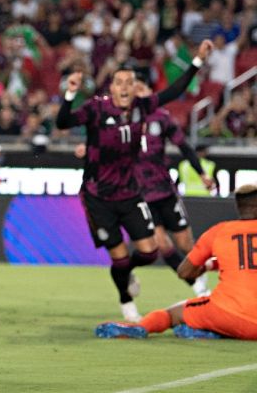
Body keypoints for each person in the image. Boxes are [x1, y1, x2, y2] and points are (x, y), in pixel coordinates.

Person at [55, 39, 213, 323]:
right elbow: (63, 123)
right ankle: (126, 301)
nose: (126, 87)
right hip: (98, 196)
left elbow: (175, 91)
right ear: (111, 88)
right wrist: (69, 94)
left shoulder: (143, 107)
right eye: (120, 82)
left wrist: (198, 60)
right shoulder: (96, 109)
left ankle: (127, 272)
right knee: (119, 257)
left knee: (150, 252)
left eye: (130, 81)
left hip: (130, 194)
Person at [96, 184, 257, 340]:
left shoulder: (219, 231)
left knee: (172, 314)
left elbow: (184, 272)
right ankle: (211, 332)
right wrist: (212, 264)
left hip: (227, 313)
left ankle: (140, 328)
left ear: (238, 206)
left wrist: (205, 266)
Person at [133, 82, 214, 298]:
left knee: (185, 244)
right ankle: (196, 284)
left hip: (164, 191)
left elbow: (184, 146)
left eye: (142, 89)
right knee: (161, 244)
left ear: (150, 92)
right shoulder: (123, 120)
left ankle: (202, 271)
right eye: (135, 89)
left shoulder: (162, 117)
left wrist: (202, 173)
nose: (138, 93)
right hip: (142, 195)